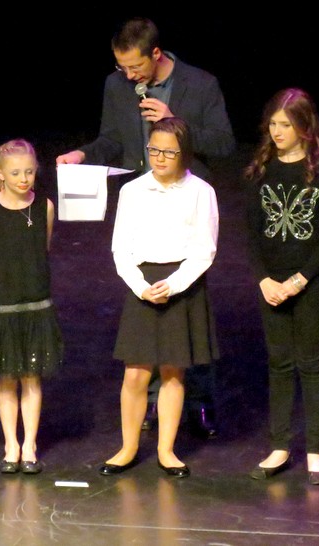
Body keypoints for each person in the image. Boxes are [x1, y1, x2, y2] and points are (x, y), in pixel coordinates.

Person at [56, 16, 235, 438]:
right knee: (148, 304)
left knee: (189, 306)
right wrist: (83, 154)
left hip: (185, 199)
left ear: (156, 54)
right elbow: (112, 139)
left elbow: (224, 143)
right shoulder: (116, 86)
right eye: (123, 68)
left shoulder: (200, 84)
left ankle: (199, 400)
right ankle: (155, 401)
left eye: (135, 67)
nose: (129, 75)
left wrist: (176, 122)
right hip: (144, 198)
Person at [98, 117, 219, 478]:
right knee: (135, 374)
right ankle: (128, 447)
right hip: (143, 284)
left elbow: (204, 249)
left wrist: (176, 283)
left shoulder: (201, 192)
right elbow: (121, 248)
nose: (160, 157)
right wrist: (140, 286)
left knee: (172, 370)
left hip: (181, 283)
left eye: (169, 151)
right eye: (154, 150)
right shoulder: (133, 191)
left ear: (184, 154)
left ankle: (167, 450)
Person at [244, 88, 319, 485]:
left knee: (310, 361)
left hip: (311, 282)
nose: (277, 131)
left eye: (285, 124)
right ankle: (279, 446)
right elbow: (251, 232)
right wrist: (264, 279)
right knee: (279, 363)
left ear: (304, 126)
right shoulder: (262, 167)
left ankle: (316, 451)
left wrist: (300, 279)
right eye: (272, 124)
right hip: (272, 283)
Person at [0, 139, 64, 475]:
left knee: (31, 377)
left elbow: (43, 247)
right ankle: (11, 444)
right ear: (0, 174)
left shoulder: (44, 207)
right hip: (2, 304)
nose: (24, 178)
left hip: (35, 302)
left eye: (29, 172)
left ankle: (30, 444)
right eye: (16, 173)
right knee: (7, 377)